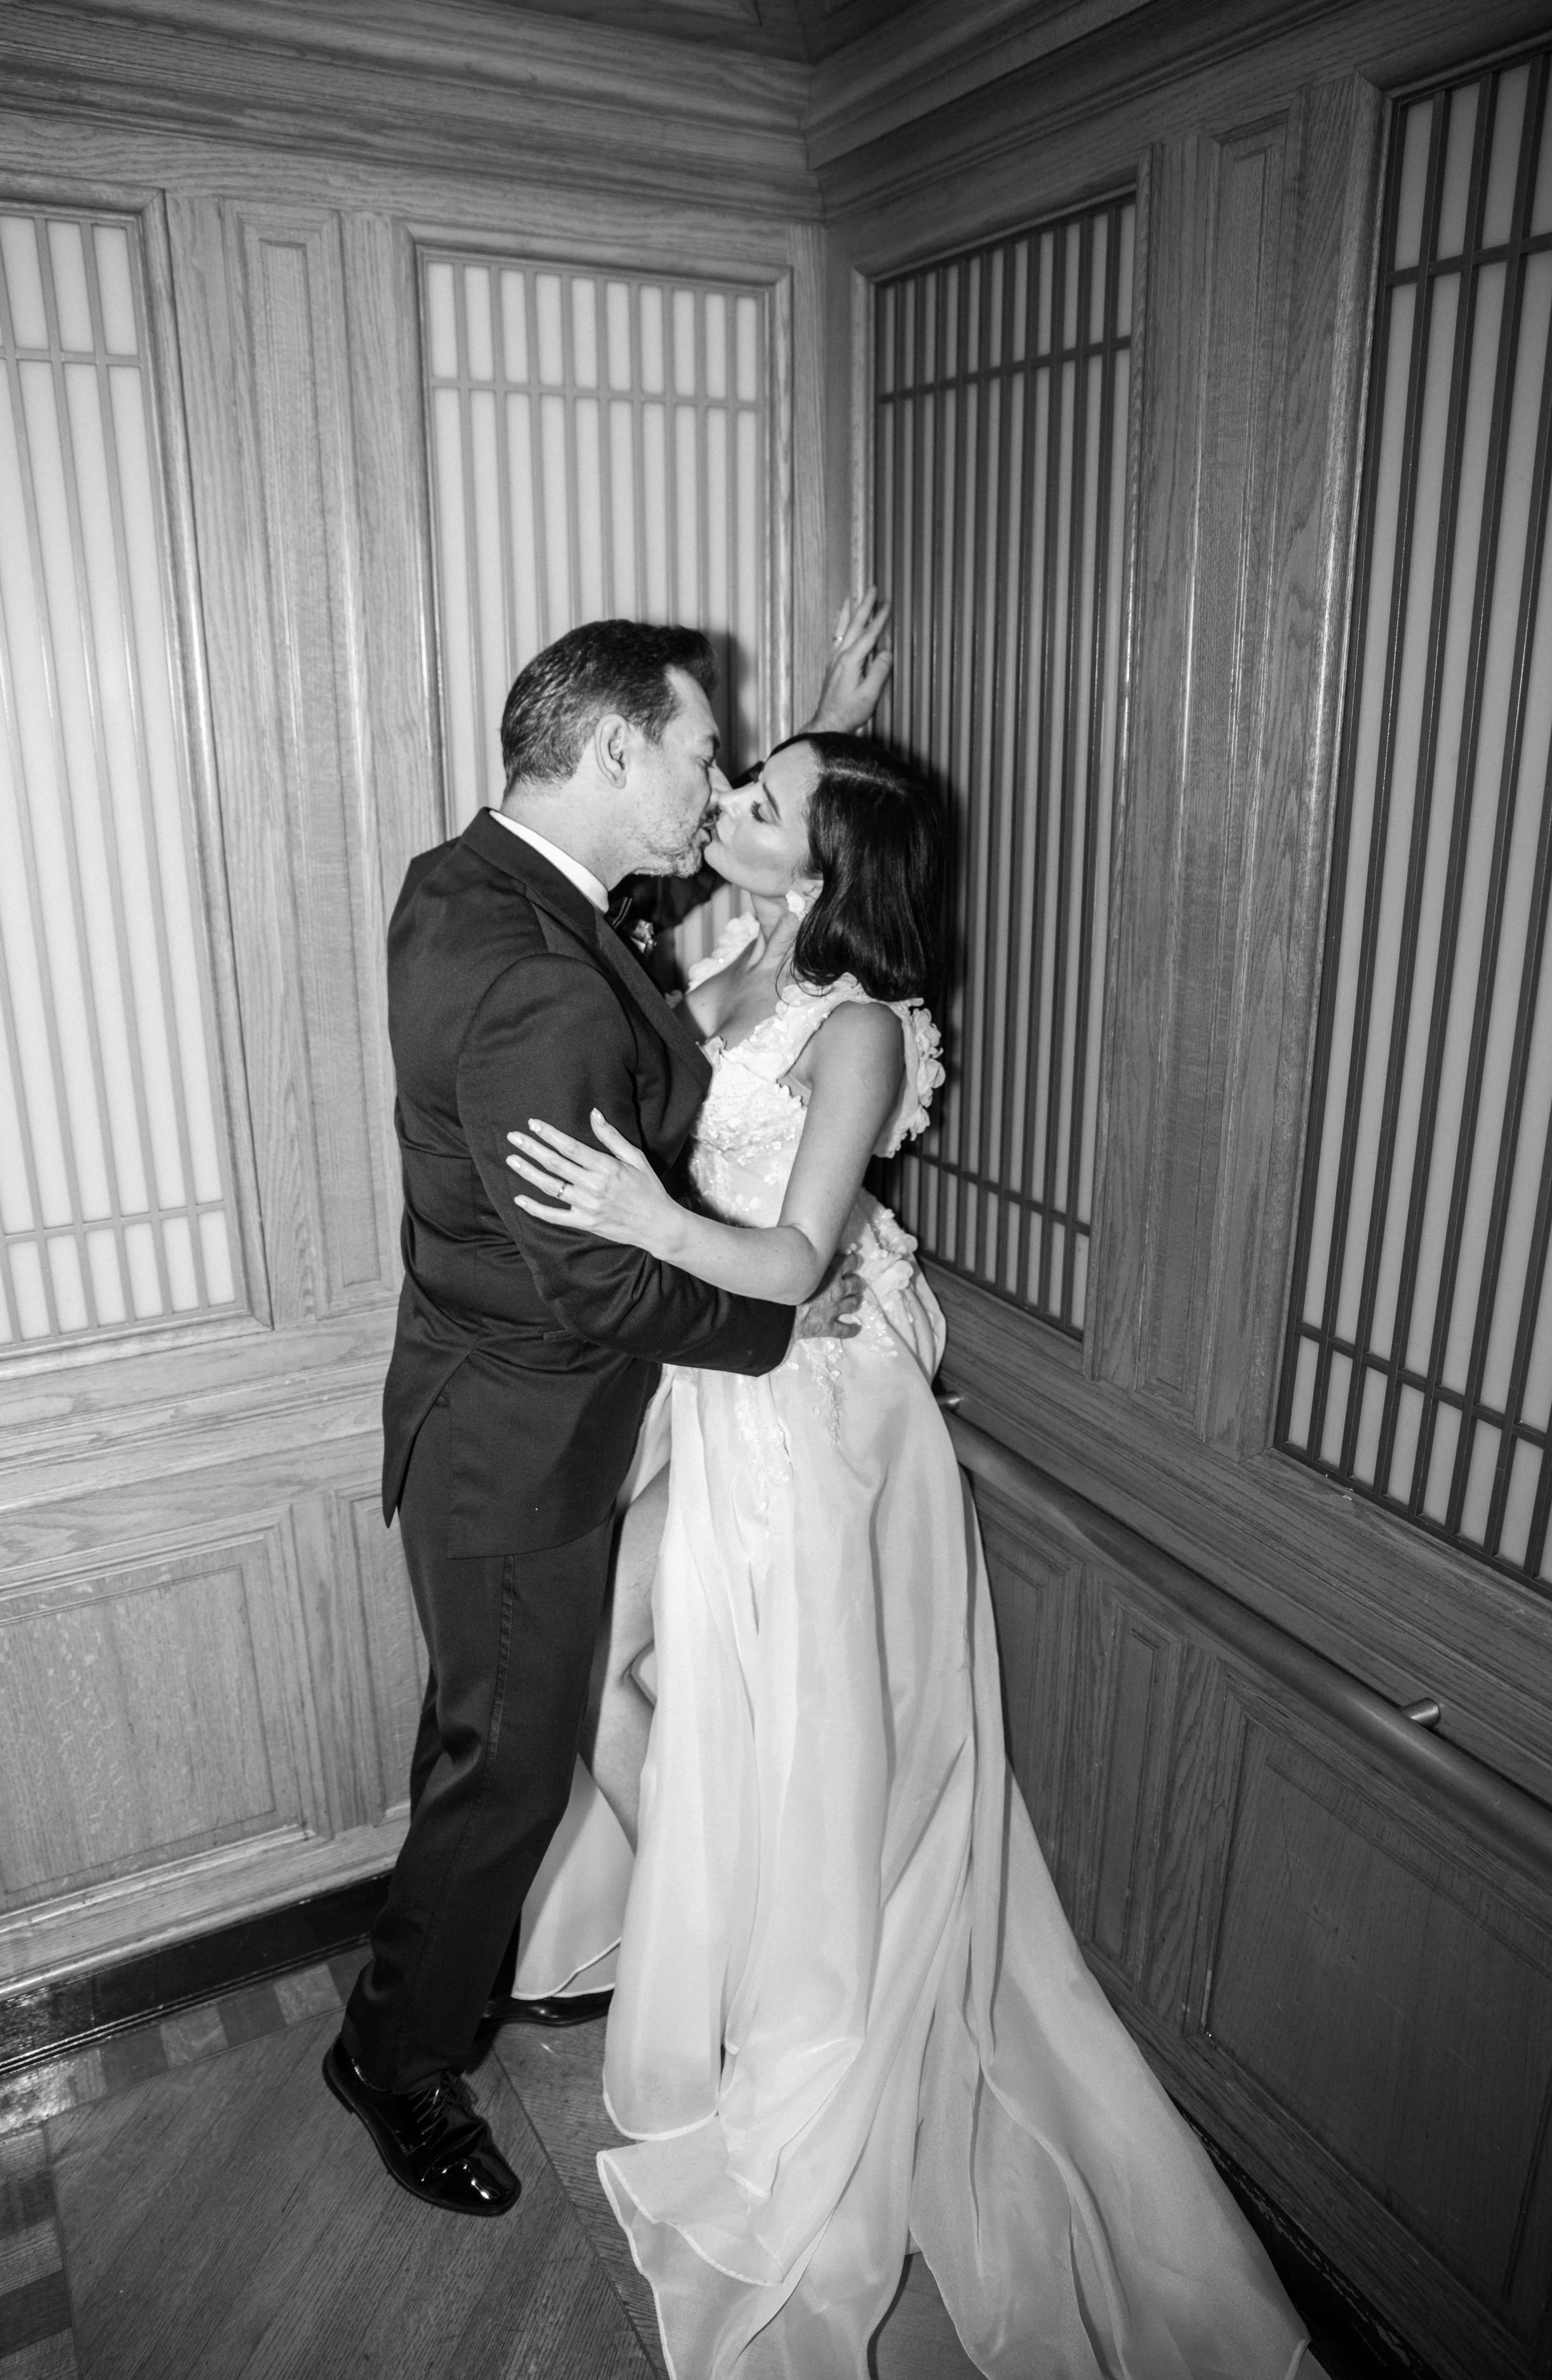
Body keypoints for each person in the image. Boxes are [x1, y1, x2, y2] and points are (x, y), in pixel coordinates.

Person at [505, 733, 1315, 2377]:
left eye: (759, 799)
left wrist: (643, 1217)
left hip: (809, 1413)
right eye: (735, 778)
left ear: (823, 867)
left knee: (782, 1723)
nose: (725, 801)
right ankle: (731, 1942)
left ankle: (791, 1999)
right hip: (715, 1382)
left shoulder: (861, 1027)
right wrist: (829, 724)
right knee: (616, 1668)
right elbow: (765, 895)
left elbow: (801, 1253)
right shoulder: (737, 954)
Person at [324, 620, 876, 2220]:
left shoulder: (466, 882)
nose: (715, 782)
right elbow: (596, 1283)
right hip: (518, 1443)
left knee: (490, 1741)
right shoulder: (538, 977)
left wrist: (821, 753)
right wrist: (777, 1321)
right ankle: (394, 2057)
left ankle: (436, 1990)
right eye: (701, 754)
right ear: (615, 750)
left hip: (476, 1402)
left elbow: (652, 932)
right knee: (504, 1771)